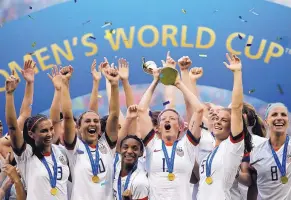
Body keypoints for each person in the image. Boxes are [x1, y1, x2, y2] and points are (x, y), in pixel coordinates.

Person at [137, 51, 204, 200]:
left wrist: (179, 83)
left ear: (181, 126)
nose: (167, 120)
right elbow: (141, 110)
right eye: (163, 119)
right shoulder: (151, 143)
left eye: (173, 118)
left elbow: (199, 109)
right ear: (158, 127)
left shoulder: (188, 145)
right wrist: (155, 81)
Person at [5, 70, 70, 200]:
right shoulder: (26, 155)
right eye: (44, 131)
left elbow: (56, 119)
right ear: (31, 134)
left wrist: (58, 90)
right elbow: (13, 126)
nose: (50, 134)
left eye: (51, 129)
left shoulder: (60, 151)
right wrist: (9, 94)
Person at [196, 53, 252, 200]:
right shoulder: (207, 154)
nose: (218, 122)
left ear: (232, 125)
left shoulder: (233, 147)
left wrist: (237, 73)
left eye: (224, 120)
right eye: (216, 119)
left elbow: (237, 107)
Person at [61, 62, 120, 200]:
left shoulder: (106, 145)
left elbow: (114, 115)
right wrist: (65, 84)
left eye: (96, 121)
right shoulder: (73, 147)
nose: (92, 123)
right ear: (78, 127)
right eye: (87, 121)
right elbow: (68, 115)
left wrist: (115, 85)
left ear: (100, 127)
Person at [239, 103, 291, 200]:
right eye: (274, 114)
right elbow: (253, 186)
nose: (279, 118)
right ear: (266, 121)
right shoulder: (255, 152)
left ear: (288, 120)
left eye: (283, 115)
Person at [113, 135, 149, 200]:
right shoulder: (114, 169)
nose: (129, 151)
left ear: (141, 152)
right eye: (125, 147)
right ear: (120, 149)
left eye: (135, 148)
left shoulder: (140, 182)